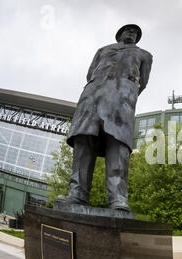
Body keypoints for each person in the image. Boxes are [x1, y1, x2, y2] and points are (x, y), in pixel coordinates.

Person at [57, 24, 153, 211]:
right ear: (119, 34)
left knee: (118, 145)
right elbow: (90, 74)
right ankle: (77, 194)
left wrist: (125, 91)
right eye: (128, 30)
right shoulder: (103, 50)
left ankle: (118, 198)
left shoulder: (145, 55)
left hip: (122, 100)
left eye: (135, 32)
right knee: (84, 142)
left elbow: (143, 82)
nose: (131, 33)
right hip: (93, 97)